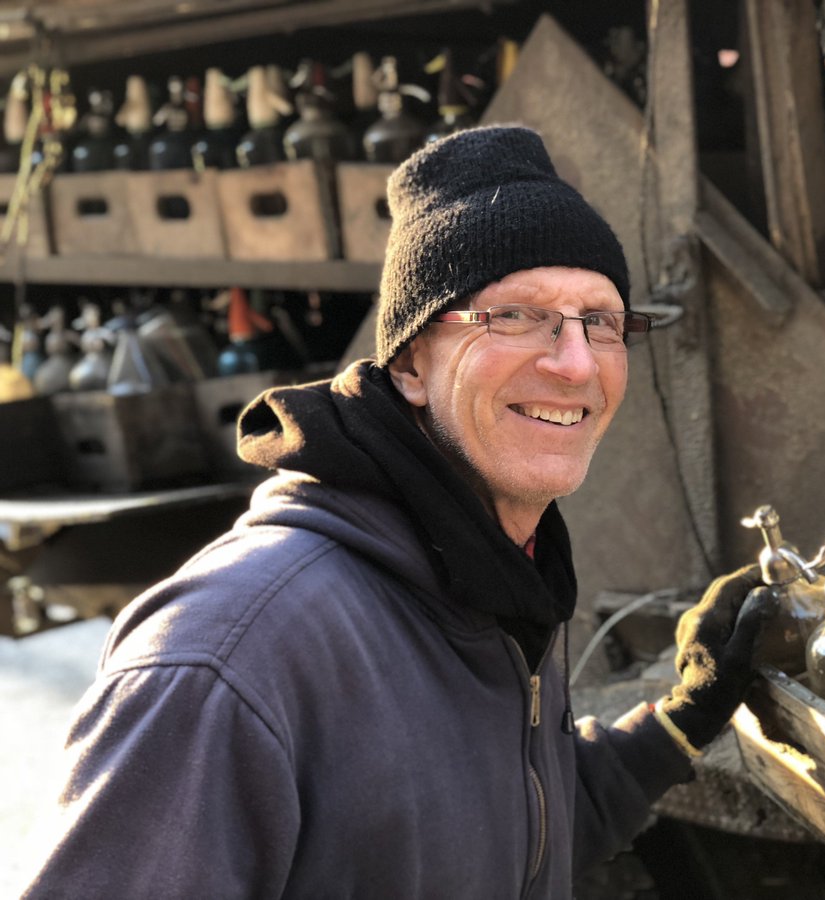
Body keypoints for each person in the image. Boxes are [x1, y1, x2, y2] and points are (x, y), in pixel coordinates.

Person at [20, 125, 774, 898]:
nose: (575, 362)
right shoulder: (232, 659)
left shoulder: (495, 570)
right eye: (514, 315)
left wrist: (681, 720)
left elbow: (511, 835)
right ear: (412, 362)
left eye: (601, 320)